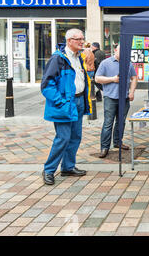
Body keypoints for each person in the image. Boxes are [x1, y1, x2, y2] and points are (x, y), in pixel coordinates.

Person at [40, 28, 92, 185]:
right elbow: (46, 85)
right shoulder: (58, 59)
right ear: (69, 41)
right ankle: (49, 170)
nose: (82, 42)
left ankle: (68, 167)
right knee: (63, 138)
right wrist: (61, 101)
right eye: (78, 39)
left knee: (76, 136)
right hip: (65, 104)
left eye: (83, 38)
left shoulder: (79, 57)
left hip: (79, 102)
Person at [95, 44, 138, 158]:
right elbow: (97, 78)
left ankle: (118, 142)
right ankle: (104, 147)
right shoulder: (105, 63)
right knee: (108, 123)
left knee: (121, 122)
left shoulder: (128, 63)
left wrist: (132, 92)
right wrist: (112, 79)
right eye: (121, 50)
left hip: (124, 98)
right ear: (115, 50)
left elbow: (134, 78)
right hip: (110, 97)